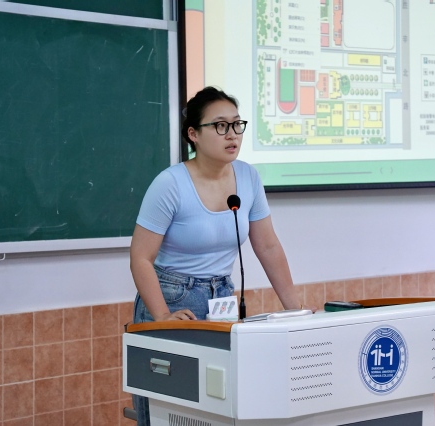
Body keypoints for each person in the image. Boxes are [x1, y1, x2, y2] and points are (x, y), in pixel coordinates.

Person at [129, 86, 307, 425]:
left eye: (237, 124)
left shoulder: (248, 177)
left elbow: (268, 246)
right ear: (193, 134)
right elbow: (140, 257)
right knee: (168, 409)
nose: (232, 134)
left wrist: (295, 310)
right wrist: (163, 315)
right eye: (220, 125)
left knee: (218, 409)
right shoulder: (170, 184)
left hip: (221, 299)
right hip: (172, 299)